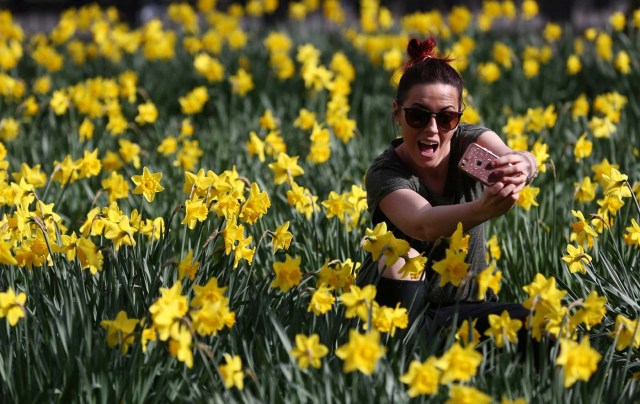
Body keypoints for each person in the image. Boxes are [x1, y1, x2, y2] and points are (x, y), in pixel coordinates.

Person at [361, 36, 538, 340]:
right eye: (417, 115)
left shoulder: (468, 149)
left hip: (466, 306)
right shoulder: (386, 172)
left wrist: (524, 165)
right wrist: (481, 210)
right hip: (402, 308)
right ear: (397, 113)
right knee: (400, 259)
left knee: (543, 327)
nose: (432, 129)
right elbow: (424, 223)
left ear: (458, 119)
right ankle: (396, 359)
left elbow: (510, 157)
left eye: (446, 118)